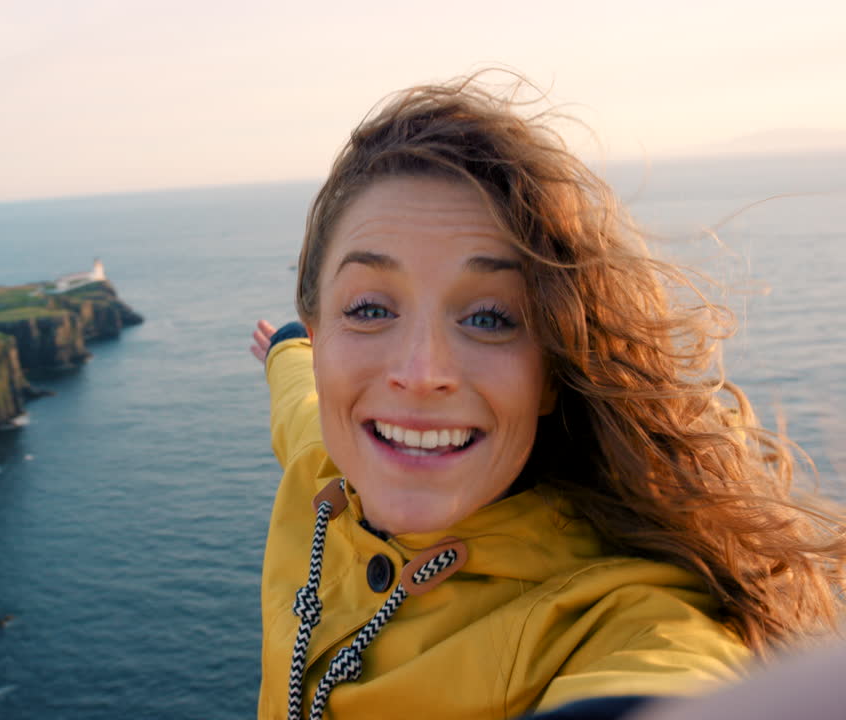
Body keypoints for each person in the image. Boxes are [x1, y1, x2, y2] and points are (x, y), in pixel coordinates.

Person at [249, 74, 846, 720]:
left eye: (488, 318)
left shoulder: (617, 618)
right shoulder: (320, 465)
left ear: (551, 375)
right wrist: (284, 347)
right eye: (368, 308)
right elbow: (297, 399)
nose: (421, 373)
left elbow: (666, 677)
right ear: (321, 338)